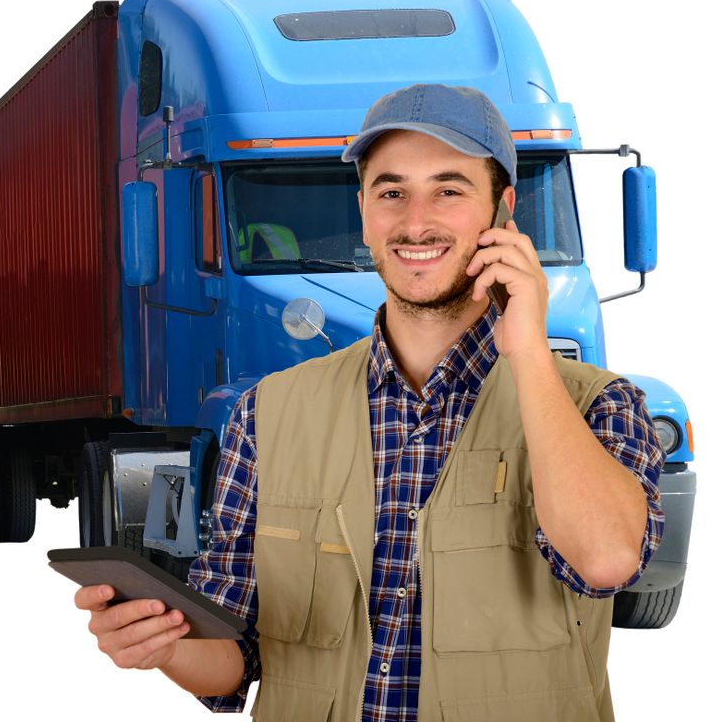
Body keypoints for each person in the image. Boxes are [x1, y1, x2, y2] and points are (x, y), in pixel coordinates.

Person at [76, 84, 664, 721]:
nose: (415, 222)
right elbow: (234, 655)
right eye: (391, 192)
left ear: (503, 211)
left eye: (449, 190)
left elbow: (607, 561)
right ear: (362, 209)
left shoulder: (602, 406)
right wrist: (164, 646)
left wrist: (528, 352)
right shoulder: (265, 416)